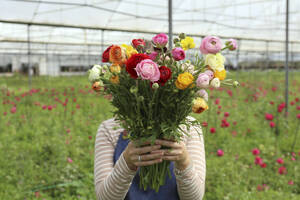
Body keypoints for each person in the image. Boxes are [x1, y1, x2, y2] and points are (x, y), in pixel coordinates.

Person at [94, 116, 206, 200]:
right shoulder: (110, 129)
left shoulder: (188, 127)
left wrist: (184, 162)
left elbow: (194, 198)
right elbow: (104, 197)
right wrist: (127, 162)